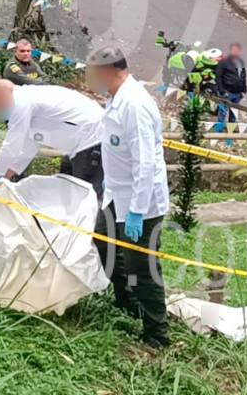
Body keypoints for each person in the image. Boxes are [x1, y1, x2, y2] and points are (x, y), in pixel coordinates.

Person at [85, 46, 171, 349]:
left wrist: (136, 211)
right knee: (102, 239)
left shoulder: (134, 104)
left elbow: (145, 162)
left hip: (141, 202)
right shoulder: (116, 100)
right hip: (116, 194)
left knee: (142, 267)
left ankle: (156, 334)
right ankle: (127, 302)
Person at [0, 80, 105, 196]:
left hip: (93, 140)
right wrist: (3, 177)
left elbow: (11, 146)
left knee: (86, 196)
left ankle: (102, 225)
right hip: (78, 146)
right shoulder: (26, 100)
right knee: (65, 191)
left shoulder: (20, 103)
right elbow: (28, 148)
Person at [215, 43, 247, 125]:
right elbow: (218, 76)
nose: (236, 52)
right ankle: (219, 128)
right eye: (234, 50)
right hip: (227, 92)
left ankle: (231, 129)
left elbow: (243, 77)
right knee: (223, 112)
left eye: (237, 51)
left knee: (234, 113)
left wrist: (244, 90)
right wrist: (222, 90)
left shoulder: (241, 62)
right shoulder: (223, 62)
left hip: (238, 93)